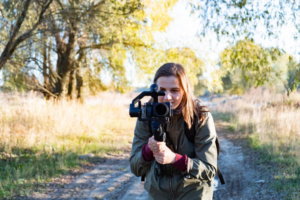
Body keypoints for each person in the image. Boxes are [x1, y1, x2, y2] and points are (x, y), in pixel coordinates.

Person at [130, 63, 218, 200]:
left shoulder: (200, 116)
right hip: (158, 192)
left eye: (174, 90)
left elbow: (209, 169)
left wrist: (174, 159)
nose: (167, 97)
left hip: (194, 192)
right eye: (161, 90)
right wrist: (148, 150)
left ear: (185, 90)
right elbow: (136, 168)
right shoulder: (146, 114)